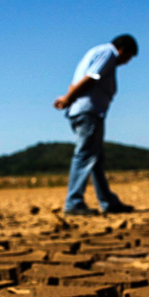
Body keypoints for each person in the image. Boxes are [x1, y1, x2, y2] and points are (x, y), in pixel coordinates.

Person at [53, 34, 138, 215]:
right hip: (88, 112)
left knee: (95, 159)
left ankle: (108, 202)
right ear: (123, 49)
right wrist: (69, 98)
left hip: (84, 111)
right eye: (129, 56)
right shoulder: (108, 53)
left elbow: (75, 82)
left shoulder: (95, 52)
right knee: (84, 156)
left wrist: (69, 98)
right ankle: (73, 203)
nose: (127, 62)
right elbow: (91, 77)